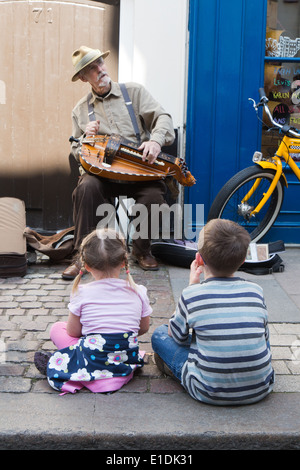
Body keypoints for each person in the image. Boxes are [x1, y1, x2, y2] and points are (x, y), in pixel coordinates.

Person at [62, 45, 175, 279]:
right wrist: (87, 141)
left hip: (139, 171)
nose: (100, 70)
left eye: (100, 63)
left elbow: (163, 117)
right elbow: (76, 149)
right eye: (91, 69)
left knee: (154, 196)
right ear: (83, 78)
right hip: (104, 175)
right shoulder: (80, 111)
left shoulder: (133, 92)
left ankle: (142, 251)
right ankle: (82, 257)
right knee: (86, 187)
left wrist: (154, 141)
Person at [151, 219, 275, 406]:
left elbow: (176, 337)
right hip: (261, 387)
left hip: (207, 391)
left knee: (160, 334)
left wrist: (192, 285)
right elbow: (264, 336)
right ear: (243, 260)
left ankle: (177, 370)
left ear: (199, 259)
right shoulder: (256, 290)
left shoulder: (192, 294)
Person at [34, 228, 152, 394]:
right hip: (125, 357)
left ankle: (83, 374)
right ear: (124, 262)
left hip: (94, 357)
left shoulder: (81, 292)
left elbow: (73, 332)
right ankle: (116, 374)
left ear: (86, 265)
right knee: (108, 344)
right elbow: (143, 328)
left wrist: (95, 333)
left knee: (57, 329)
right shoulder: (139, 291)